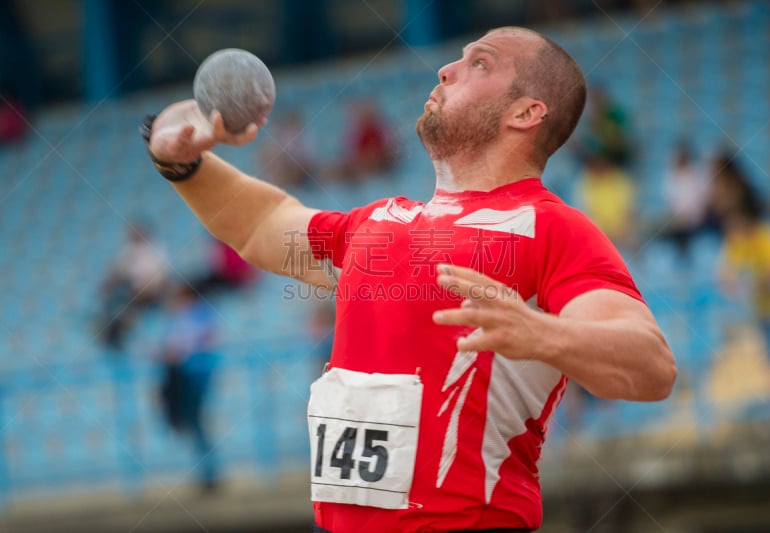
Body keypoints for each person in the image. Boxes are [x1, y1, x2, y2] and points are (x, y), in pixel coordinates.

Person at [142, 26, 676, 533]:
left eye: (478, 63)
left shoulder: (549, 227)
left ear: (527, 111)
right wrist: (182, 162)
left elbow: (652, 367)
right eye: (457, 59)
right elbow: (262, 224)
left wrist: (544, 335)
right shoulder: (378, 222)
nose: (445, 69)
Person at [718, 207, 770, 393]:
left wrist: (756, 281)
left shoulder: (768, 236)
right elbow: (726, 279)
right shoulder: (736, 242)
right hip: (760, 310)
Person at [158, 282, 220, 492]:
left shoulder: (194, 317)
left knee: (196, 424)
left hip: (193, 375)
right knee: (196, 425)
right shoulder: (193, 317)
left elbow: (183, 347)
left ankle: (209, 475)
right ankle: (207, 474)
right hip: (191, 375)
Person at [99, 221, 169, 348]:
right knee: (113, 298)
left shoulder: (155, 249)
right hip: (131, 290)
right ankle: (112, 333)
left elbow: (159, 277)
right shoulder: (127, 250)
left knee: (128, 303)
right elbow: (118, 272)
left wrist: (143, 288)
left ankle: (123, 331)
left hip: (150, 292)